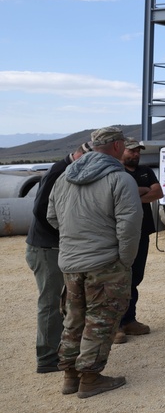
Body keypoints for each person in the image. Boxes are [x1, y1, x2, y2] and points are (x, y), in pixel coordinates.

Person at [47, 127, 142, 398]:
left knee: (74, 318)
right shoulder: (119, 179)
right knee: (101, 319)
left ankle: (69, 376)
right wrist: (125, 260)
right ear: (115, 147)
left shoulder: (65, 176)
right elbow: (129, 226)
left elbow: (52, 217)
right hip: (105, 263)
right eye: (123, 145)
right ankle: (90, 379)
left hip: (71, 262)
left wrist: (74, 240)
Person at [25, 143, 89, 374]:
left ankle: (61, 350)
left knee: (63, 302)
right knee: (51, 303)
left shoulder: (69, 170)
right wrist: (66, 235)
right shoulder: (58, 172)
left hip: (55, 246)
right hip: (46, 247)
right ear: (82, 156)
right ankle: (47, 358)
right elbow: (41, 211)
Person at [115, 138, 163, 343]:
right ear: (121, 150)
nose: (135, 155)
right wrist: (143, 191)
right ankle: (114, 325)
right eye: (131, 151)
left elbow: (158, 192)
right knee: (117, 278)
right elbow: (119, 196)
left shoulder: (145, 171)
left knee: (135, 277)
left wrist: (135, 196)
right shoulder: (115, 172)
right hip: (120, 233)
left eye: (138, 152)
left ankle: (129, 320)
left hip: (142, 231)